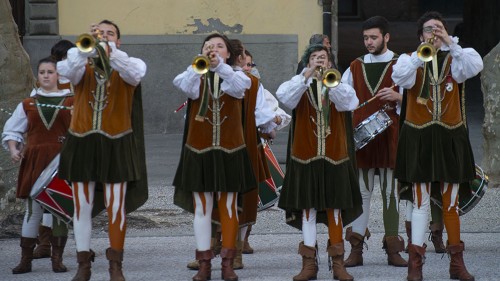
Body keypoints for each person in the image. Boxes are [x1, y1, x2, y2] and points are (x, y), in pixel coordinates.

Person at [392, 11, 483, 281]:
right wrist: (422, 55)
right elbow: (402, 78)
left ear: (446, 33)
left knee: (450, 203)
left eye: (439, 28)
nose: (434, 32)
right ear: (420, 35)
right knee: (420, 203)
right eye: (429, 29)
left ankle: (456, 263)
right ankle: (415, 264)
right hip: (419, 137)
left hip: (449, 138)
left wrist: (450, 44)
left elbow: (473, 67)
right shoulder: (410, 59)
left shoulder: (458, 57)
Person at [57, 19, 148, 281]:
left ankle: (115, 265)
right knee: (81, 207)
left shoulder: (130, 64)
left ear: (119, 41)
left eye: (110, 34)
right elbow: (66, 72)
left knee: (116, 206)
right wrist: (86, 50)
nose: (104, 36)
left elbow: (135, 75)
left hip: (116, 142)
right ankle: (83, 264)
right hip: (82, 141)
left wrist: (111, 53)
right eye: (99, 33)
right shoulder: (79, 64)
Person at [173, 33, 256, 281]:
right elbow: (182, 85)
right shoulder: (195, 74)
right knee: (202, 208)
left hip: (230, 151)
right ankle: (204, 264)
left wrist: (220, 66)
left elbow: (241, 88)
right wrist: (199, 66)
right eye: (209, 46)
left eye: (220, 46)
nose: (214, 50)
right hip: (199, 150)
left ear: (229, 53)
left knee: (229, 207)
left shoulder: (236, 76)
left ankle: (228, 263)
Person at [276, 44, 362, 281]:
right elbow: (285, 98)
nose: (319, 61)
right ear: (307, 63)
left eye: (323, 58)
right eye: (314, 58)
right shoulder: (298, 85)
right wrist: (306, 75)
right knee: (308, 211)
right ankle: (309, 264)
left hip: (334, 158)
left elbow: (349, 103)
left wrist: (329, 82)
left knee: (335, 211)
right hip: (306, 159)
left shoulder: (339, 84)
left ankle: (337, 263)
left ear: (331, 63)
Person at [340, 15, 407, 268]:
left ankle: (393, 249)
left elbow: (414, 99)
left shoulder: (402, 65)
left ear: (386, 37)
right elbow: (344, 99)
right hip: (362, 138)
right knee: (361, 193)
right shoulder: (355, 66)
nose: (369, 42)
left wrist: (398, 97)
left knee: (391, 193)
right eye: (366, 37)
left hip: (390, 135)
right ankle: (356, 249)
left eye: (374, 37)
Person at [3, 56, 73, 274]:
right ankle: (25, 260)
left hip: (61, 159)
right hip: (35, 158)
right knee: (33, 210)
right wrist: (14, 149)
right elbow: (13, 130)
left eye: (50, 72)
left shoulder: (72, 101)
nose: (45, 76)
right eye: (42, 72)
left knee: (60, 210)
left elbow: (81, 132)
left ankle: (57, 260)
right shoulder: (28, 103)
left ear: (58, 75)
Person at [32, 39, 75, 260]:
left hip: (72, 148)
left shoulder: (78, 82)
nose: (61, 64)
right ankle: (44, 243)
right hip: (47, 149)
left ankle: (79, 247)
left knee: (72, 198)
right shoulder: (45, 84)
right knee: (44, 198)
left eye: (66, 58)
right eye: (59, 59)